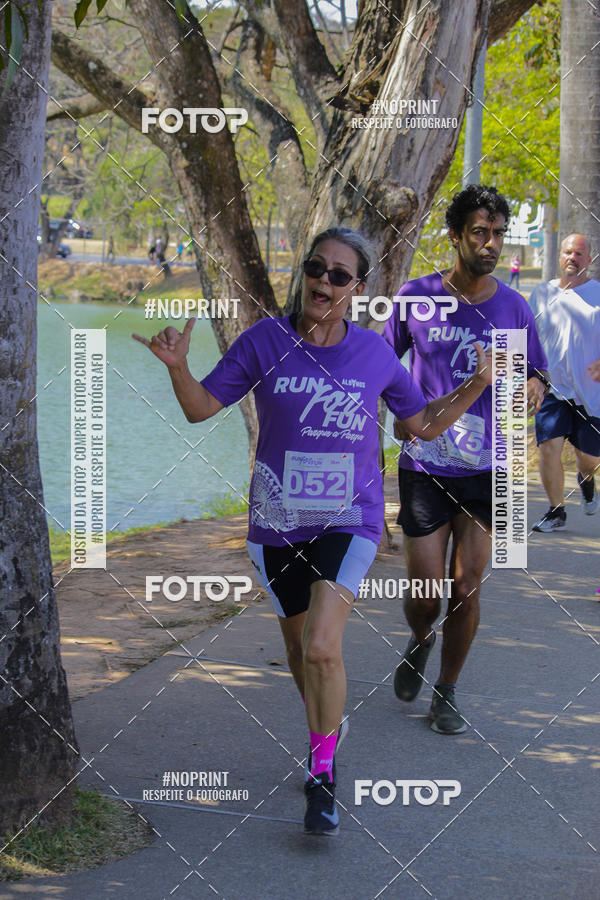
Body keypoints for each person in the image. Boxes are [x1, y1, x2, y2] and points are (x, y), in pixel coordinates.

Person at [133, 226, 493, 835]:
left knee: (324, 646)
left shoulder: (373, 354)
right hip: (276, 523)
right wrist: (177, 368)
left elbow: (422, 426)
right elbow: (200, 408)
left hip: (349, 520)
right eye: (316, 268)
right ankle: (324, 726)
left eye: (339, 275)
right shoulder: (264, 341)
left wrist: (478, 385)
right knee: (302, 653)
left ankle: (321, 775)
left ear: (357, 288)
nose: (324, 282)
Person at [384, 185, 549, 735]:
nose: (491, 243)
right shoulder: (417, 297)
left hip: (490, 467)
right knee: (427, 592)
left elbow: (537, 371)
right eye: (480, 232)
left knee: (467, 584)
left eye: (498, 233)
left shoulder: (514, 306)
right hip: (427, 464)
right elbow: (381, 365)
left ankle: (447, 693)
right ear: (454, 236)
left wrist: (530, 386)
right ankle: (420, 637)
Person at [529, 234, 600, 532]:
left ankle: (586, 479)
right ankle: (556, 511)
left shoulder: (597, 293)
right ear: (559, 256)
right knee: (548, 447)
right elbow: (527, 338)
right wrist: (531, 376)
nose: (573, 257)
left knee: (589, 460)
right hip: (552, 389)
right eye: (568, 252)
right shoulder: (541, 294)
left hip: (591, 392)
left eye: (580, 253)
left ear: (589, 259)